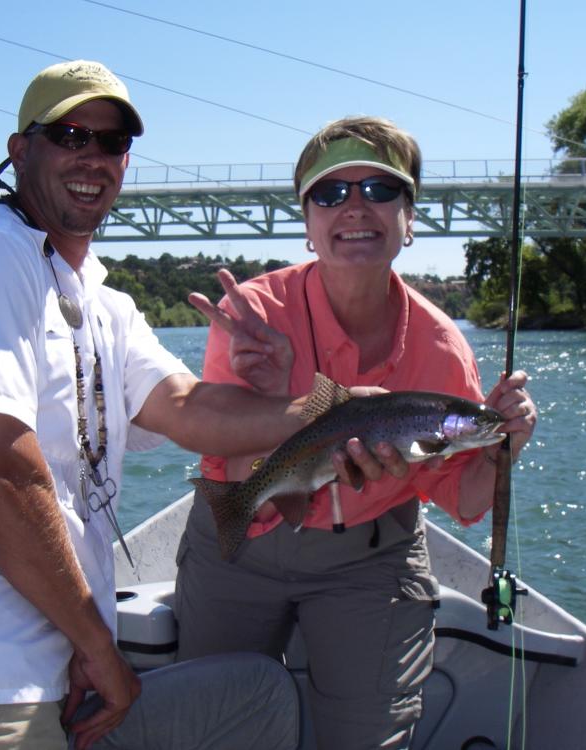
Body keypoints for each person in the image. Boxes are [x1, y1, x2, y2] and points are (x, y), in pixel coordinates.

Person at [0, 60, 392, 750]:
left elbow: (183, 403)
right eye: (71, 136)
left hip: (63, 669)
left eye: (111, 143)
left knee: (257, 697)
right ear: (20, 151)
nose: (93, 158)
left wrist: (327, 414)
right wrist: (100, 647)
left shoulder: (100, 301)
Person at [175, 116, 538, 750]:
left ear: (409, 217)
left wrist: (504, 445)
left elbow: (470, 500)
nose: (355, 208)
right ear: (308, 223)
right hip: (245, 538)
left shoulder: (443, 349)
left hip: (372, 560)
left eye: (380, 189)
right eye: (329, 194)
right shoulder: (251, 316)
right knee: (212, 724)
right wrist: (272, 397)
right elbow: (234, 476)